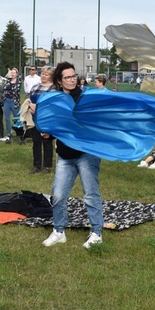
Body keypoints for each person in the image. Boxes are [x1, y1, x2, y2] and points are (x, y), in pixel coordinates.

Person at [42, 62, 104, 250]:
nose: (72, 79)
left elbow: (95, 122)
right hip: (65, 155)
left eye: (74, 76)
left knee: (90, 195)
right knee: (58, 195)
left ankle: (97, 233)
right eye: (67, 77)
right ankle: (59, 231)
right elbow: (56, 126)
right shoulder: (56, 100)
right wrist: (48, 133)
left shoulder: (86, 97)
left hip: (86, 154)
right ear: (60, 81)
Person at [27, 65, 55, 174]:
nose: (44, 76)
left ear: (51, 76)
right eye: (43, 73)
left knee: (47, 142)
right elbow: (29, 99)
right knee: (36, 142)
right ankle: (36, 165)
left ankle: (47, 166)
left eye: (46, 74)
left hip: (47, 119)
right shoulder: (35, 87)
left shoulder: (54, 89)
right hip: (35, 118)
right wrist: (31, 106)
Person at [2, 68, 22, 143]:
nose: (13, 74)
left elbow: (15, 91)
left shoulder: (19, 82)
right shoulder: (8, 81)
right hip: (7, 101)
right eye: (12, 73)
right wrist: (8, 90)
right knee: (7, 118)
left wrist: (8, 89)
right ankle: (9, 133)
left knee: (17, 119)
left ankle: (19, 134)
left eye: (14, 73)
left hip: (14, 102)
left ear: (17, 74)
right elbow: (4, 89)